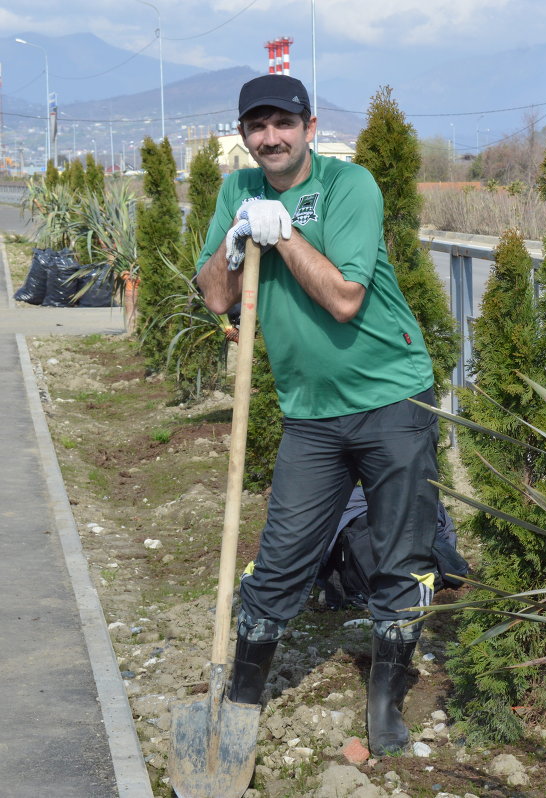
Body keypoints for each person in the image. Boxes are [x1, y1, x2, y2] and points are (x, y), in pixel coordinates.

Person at [195, 73, 439, 757]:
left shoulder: (347, 187)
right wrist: (236, 241)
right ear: (245, 135)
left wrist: (281, 235)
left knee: (400, 557)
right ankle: (240, 702)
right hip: (310, 411)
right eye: (256, 126)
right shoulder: (236, 190)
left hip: (394, 397)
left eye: (282, 124)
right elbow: (216, 297)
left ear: (307, 126)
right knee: (278, 561)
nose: (269, 137)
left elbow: (344, 299)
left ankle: (386, 700)